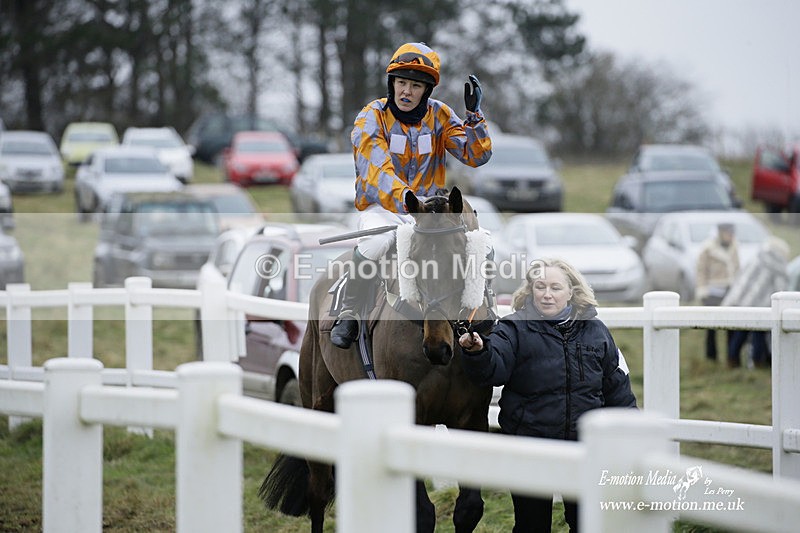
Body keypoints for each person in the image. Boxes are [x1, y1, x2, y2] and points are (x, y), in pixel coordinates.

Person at [330, 42, 493, 349]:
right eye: (401, 83)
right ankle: (349, 311)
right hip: (385, 208)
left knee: (481, 241)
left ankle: (485, 310)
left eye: (415, 85)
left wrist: (473, 116)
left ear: (427, 90)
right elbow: (378, 171)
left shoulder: (441, 115)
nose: (406, 92)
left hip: (431, 211)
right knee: (377, 242)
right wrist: (409, 202)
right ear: (391, 84)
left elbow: (476, 156)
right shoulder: (370, 117)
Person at [458, 258, 638, 532]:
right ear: (530, 291)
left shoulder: (596, 331)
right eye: (540, 286)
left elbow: (617, 389)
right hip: (530, 448)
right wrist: (478, 352)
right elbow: (492, 370)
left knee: (587, 523)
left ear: (572, 292)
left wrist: (629, 436)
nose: (547, 294)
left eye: (555, 287)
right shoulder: (513, 329)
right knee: (532, 526)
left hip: (585, 449)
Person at [721, 236, 790, 368]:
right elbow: (781, 289)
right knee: (758, 332)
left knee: (740, 333)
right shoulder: (779, 265)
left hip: (743, 301)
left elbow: (740, 277)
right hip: (762, 306)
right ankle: (758, 362)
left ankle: (732, 359)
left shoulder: (757, 257)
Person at [695, 222, 740, 362]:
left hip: (729, 291)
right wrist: (702, 290)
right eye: (727, 233)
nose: (730, 236)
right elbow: (701, 271)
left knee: (731, 326)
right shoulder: (708, 249)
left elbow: (737, 269)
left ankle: (732, 358)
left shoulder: (734, 247)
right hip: (712, 292)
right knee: (711, 328)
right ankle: (711, 357)